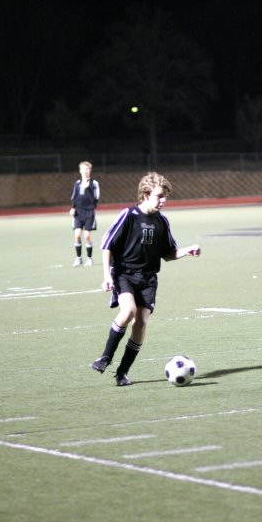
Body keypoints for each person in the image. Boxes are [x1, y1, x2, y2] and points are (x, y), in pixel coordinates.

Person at [91, 171, 201, 386]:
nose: (163, 201)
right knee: (128, 311)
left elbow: (169, 254)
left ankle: (122, 372)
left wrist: (187, 250)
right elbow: (107, 245)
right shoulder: (128, 215)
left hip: (148, 278)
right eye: (159, 196)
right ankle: (105, 357)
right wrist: (106, 275)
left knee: (141, 322)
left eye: (165, 196)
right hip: (124, 274)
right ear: (145, 194)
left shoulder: (162, 221)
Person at [69, 161, 100, 266]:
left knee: (87, 236)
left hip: (89, 213)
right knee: (77, 235)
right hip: (78, 213)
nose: (85, 171)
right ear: (80, 171)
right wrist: (73, 208)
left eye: (87, 169)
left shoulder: (94, 183)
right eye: (83, 169)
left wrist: (87, 187)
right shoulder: (77, 183)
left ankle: (89, 258)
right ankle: (78, 258)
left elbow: (96, 198)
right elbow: (75, 197)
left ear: (90, 171)